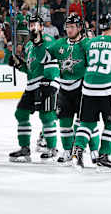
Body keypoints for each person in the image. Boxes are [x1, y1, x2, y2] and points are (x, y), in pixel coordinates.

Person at [72, 14, 111, 171]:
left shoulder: (90, 42)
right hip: (109, 88)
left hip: (88, 87)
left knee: (87, 122)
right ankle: (103, 155)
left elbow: (84, 60)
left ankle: (78, 150)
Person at [46, 14, 100, 165]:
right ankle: (68, 150)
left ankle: (95, 150)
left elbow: (96, 63)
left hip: (82, 88)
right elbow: (45, 57)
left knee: (87, 121)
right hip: (64, 89)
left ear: (79, 28)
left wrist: (88, 45)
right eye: (67, 27)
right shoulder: (60, 43)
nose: (69, 30)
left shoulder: (87, 44)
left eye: (72, 27)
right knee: (64, 122)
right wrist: (37, 43)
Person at [8, 14, 59, 162]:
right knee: (21, 113)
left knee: (47, 116)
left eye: (36, 25)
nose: (33, 27)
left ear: (42, 27)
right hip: (32, 84)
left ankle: (52, 148)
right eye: (31, 25)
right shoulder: (29, 45)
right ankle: (25, 148)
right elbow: (29, 69)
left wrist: (39, 42)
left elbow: (50, 60)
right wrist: (18, 63)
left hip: (46, 83)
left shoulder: (48, 40)